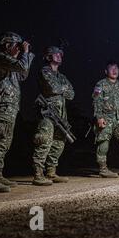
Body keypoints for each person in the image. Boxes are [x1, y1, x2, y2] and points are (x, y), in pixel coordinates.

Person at [0, 32, 34, 192]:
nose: (19, 49)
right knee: (0, 140)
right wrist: (26, 53)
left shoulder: (11, 63)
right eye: (17, 46)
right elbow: (22, 66)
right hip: (2, 106)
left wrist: (25, 54)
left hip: (10, 107)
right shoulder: (1, 57)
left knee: (6, 141)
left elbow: (23, 74)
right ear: (8, 45)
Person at [32, 46, 74, 186]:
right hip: (47, 112)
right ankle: (38, 174)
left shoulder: (62, 77)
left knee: (59, 142)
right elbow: (52, 88)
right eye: (55, 54)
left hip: (61, 115)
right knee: (44, 140)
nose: (59, 55)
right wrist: (63, 89)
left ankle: (51, 172)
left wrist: (61, 89)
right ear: (48, 56)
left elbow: (72, 94)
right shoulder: (45, 71)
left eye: (60, 54)